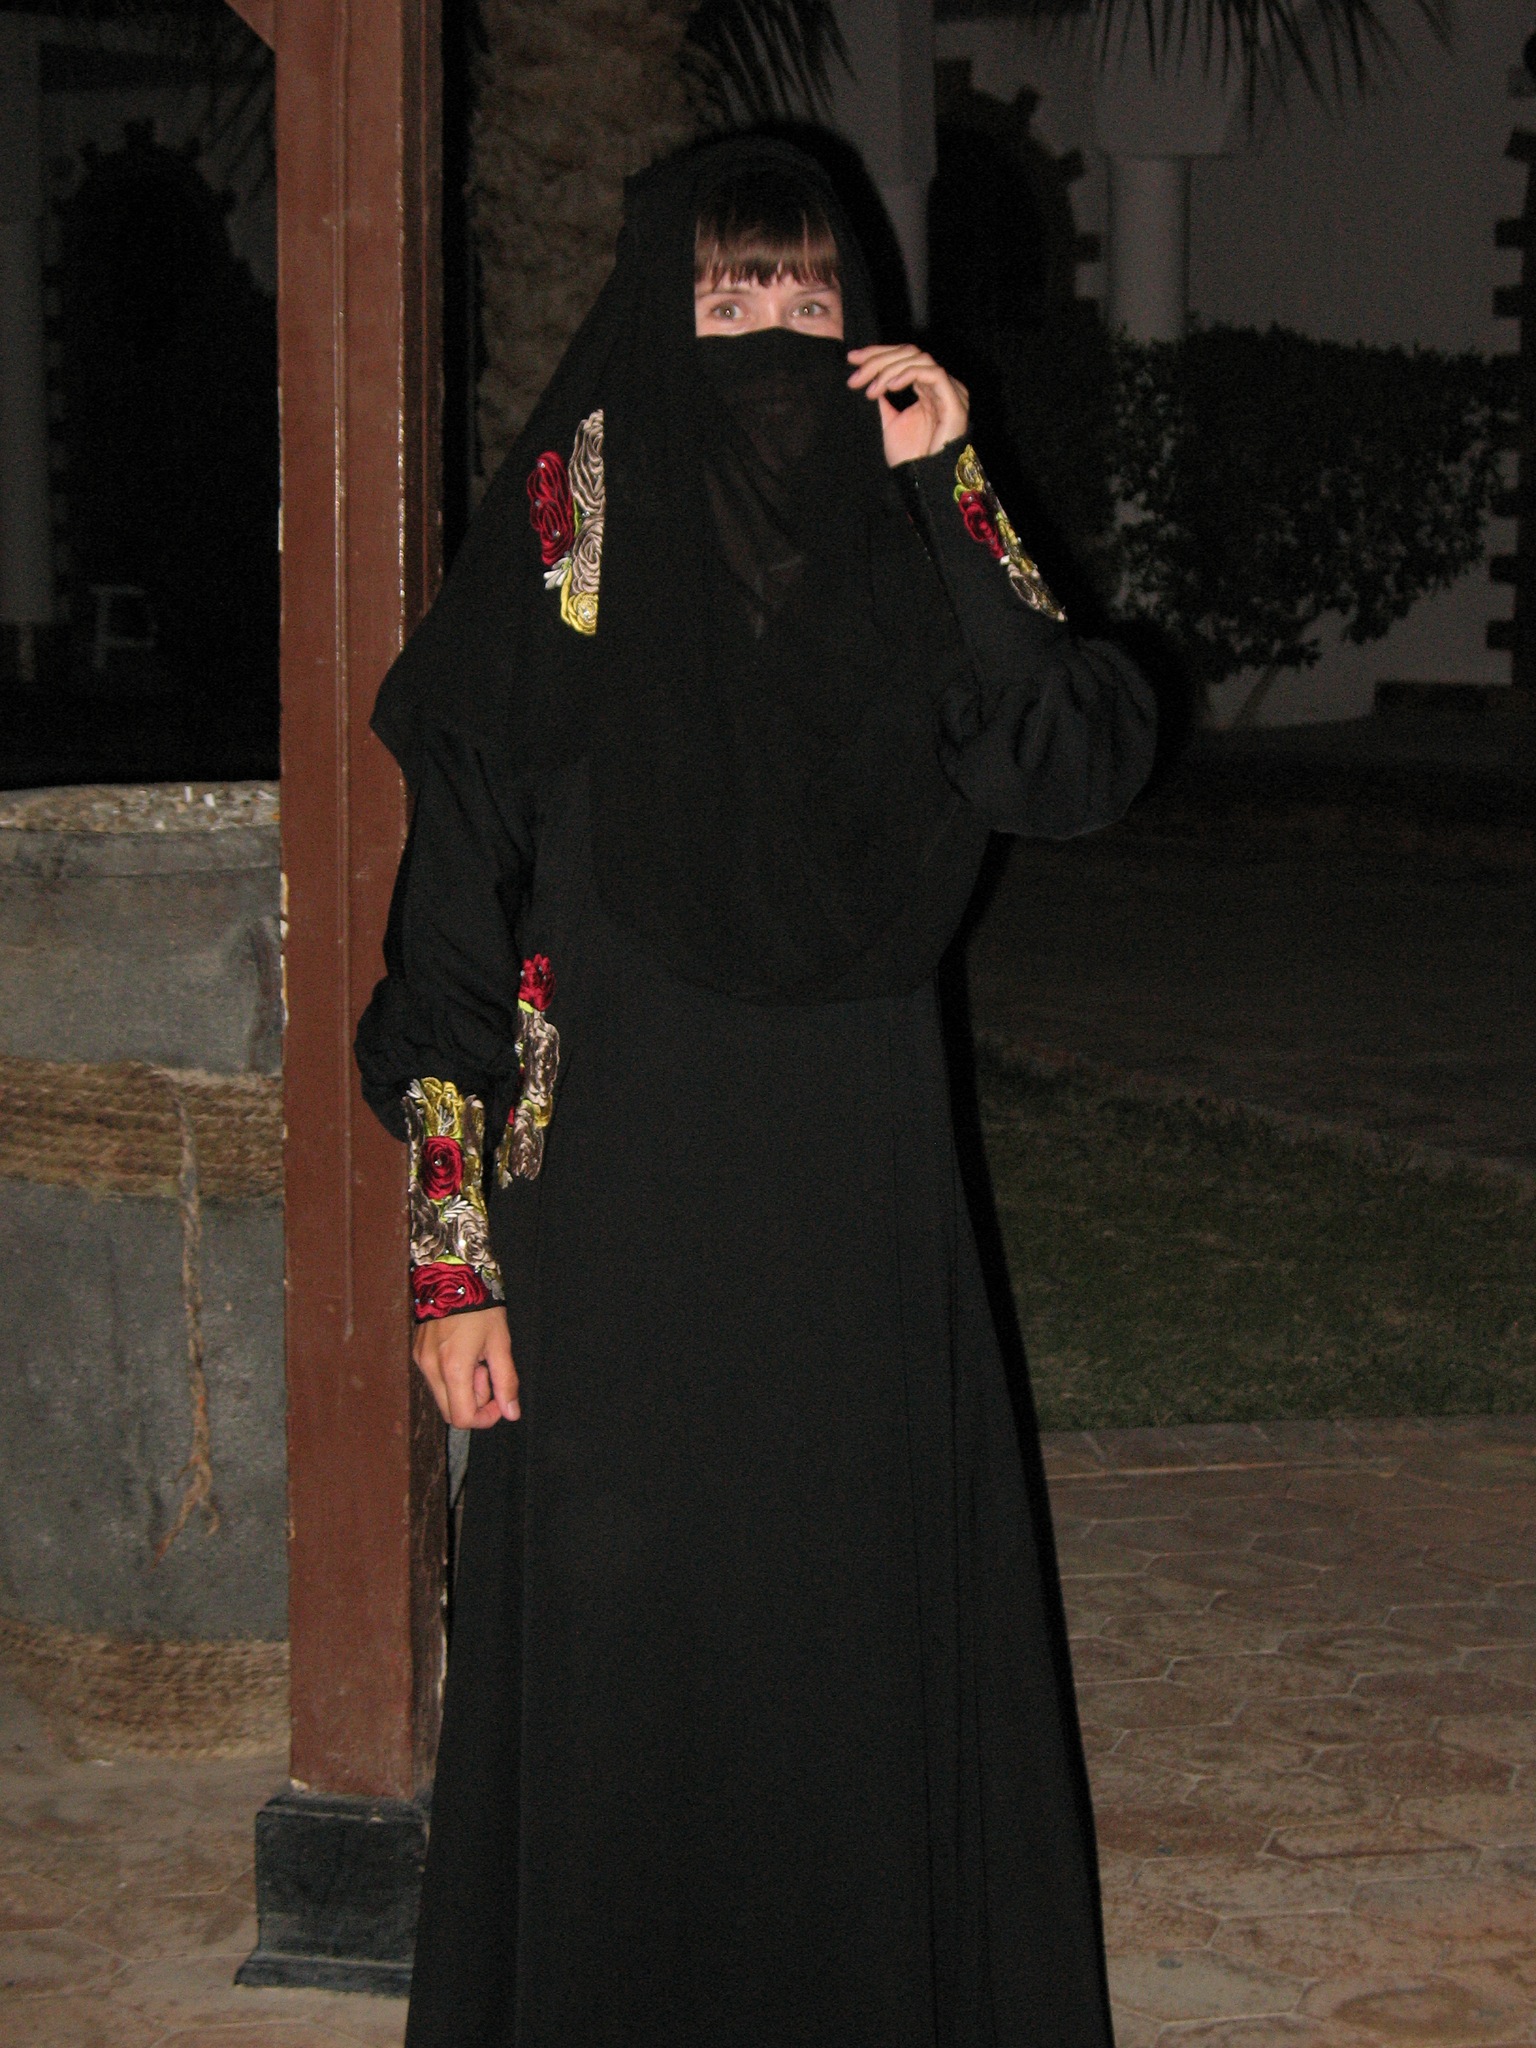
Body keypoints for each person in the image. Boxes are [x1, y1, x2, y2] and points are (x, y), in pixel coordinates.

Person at [356, 135, 1155, 2048]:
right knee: (631, 1642)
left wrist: (955, 487)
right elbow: (451, 932)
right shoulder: (565, 550)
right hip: (615, 1202)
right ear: (660, 317)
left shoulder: (909, 551)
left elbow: (1070, 764)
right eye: (730, 300)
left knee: (846, 1634)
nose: (779, 336)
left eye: (812, 296)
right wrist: (453, 1263)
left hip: (850, 1201)